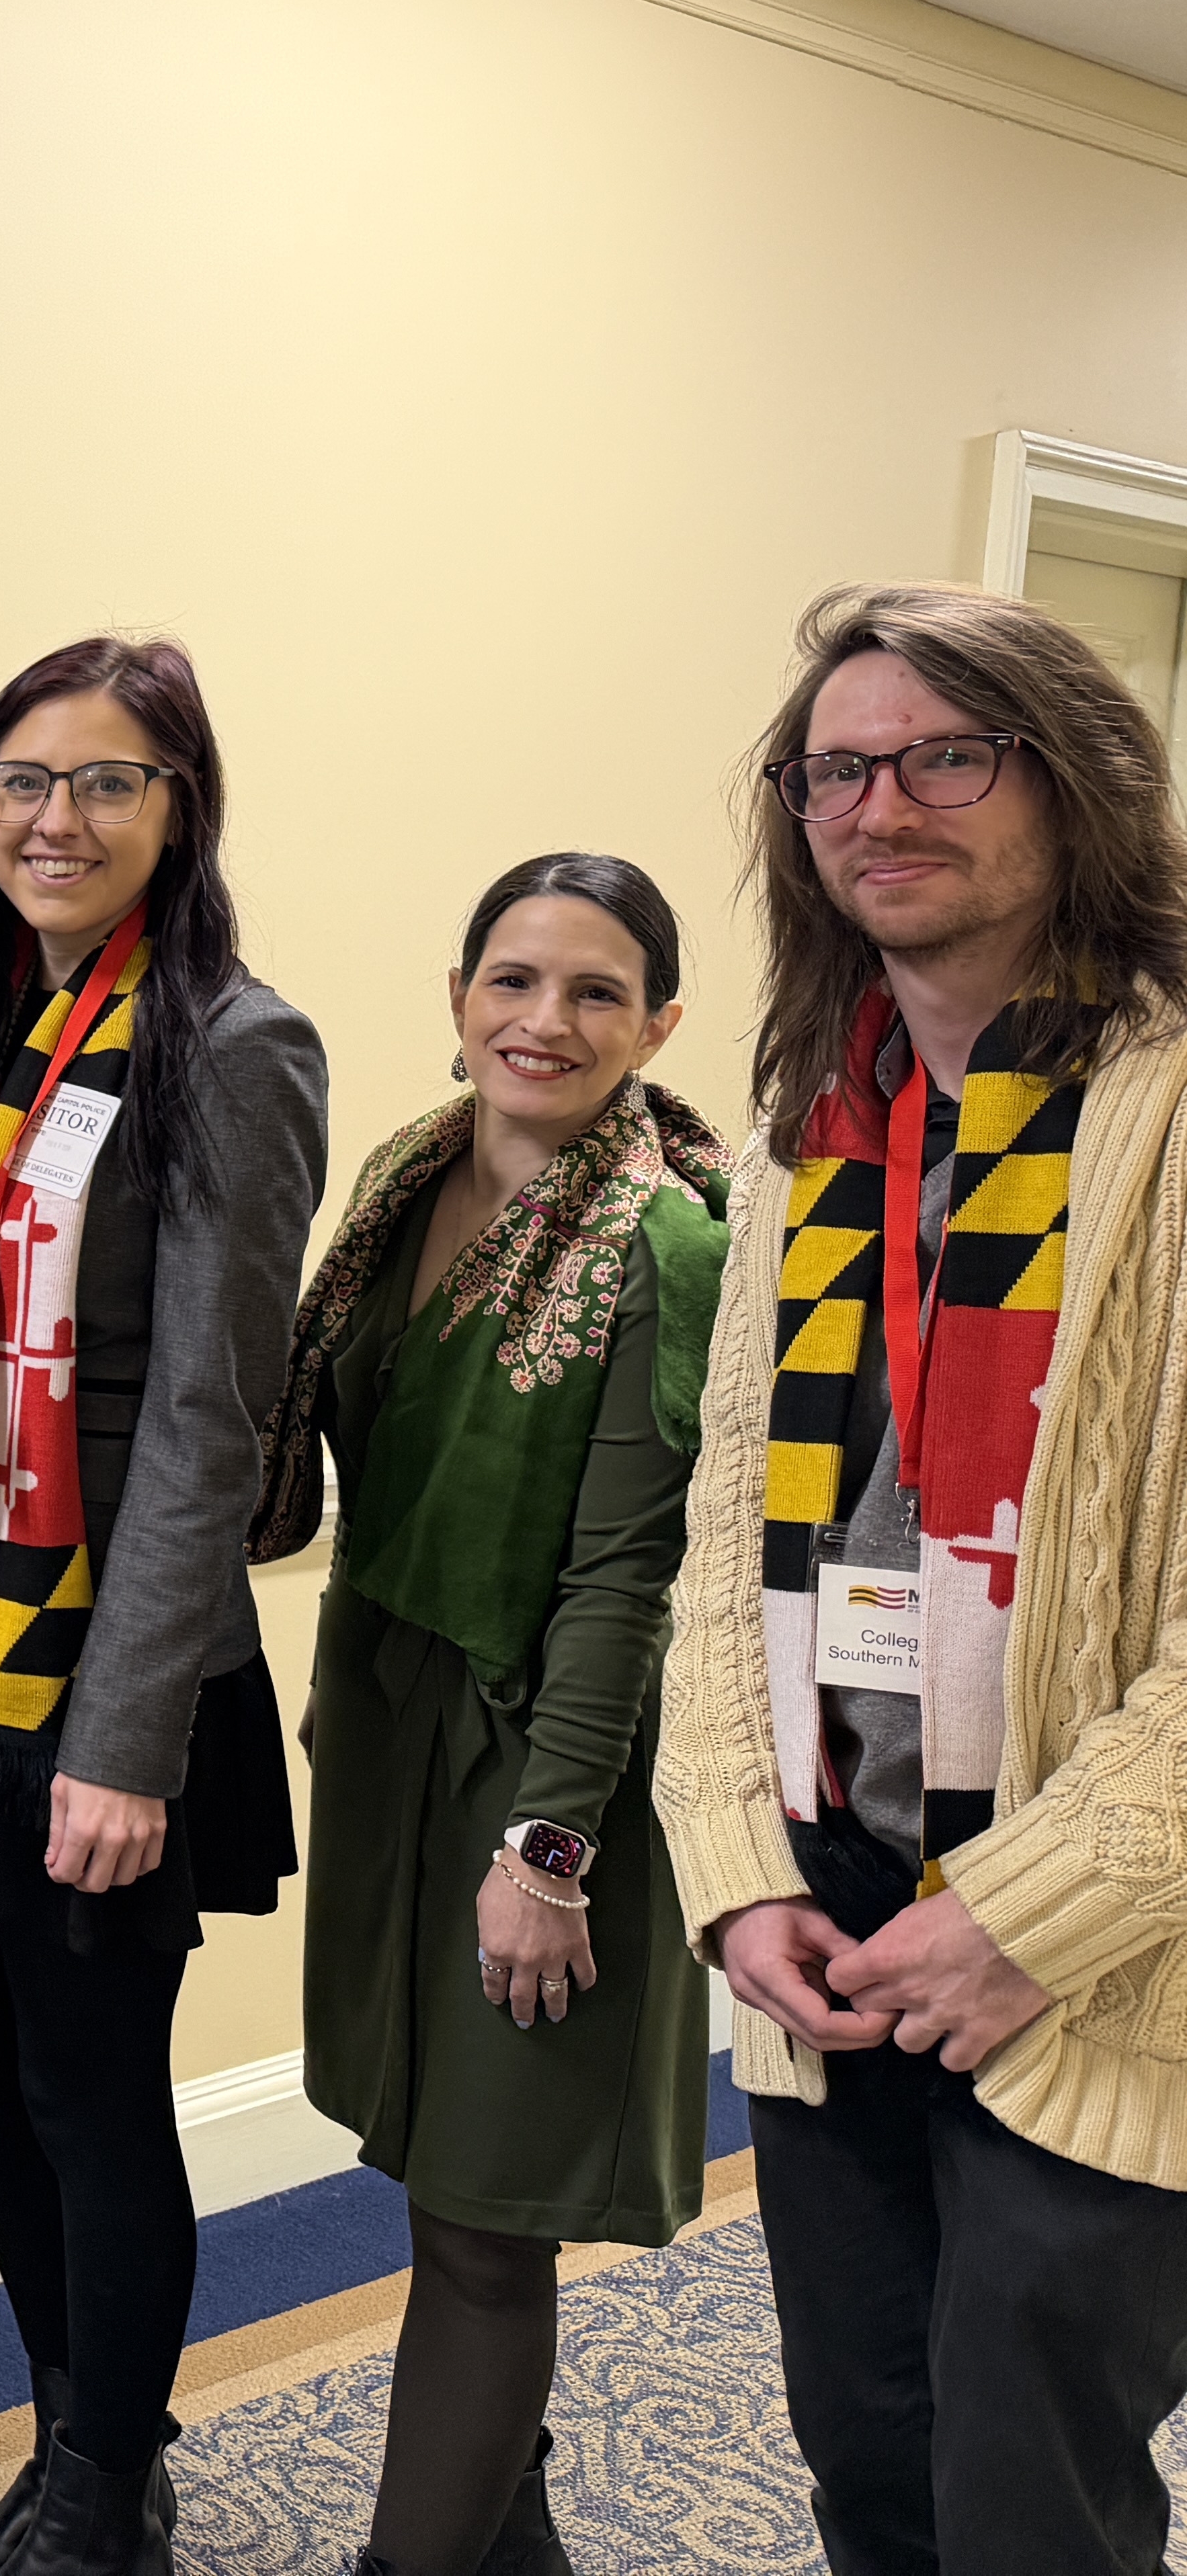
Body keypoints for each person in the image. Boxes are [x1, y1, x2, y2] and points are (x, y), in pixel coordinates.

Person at [653, 583, 1187, 2575]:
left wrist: (1026, 1916)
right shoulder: (815, 1138)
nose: (883, 806)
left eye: (948, 756)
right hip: (840, 1917)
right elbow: (728, 1542)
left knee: (1033, 2512)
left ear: (1073, 783)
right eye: (836, 771)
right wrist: (740, 1867)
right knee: (871, 2472)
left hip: (1095, 1945)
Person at [0, 637, 325, 2576]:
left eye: (107, 780)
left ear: (179, 808)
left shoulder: (232, 1042)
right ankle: (73, 2462)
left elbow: (211, 1421)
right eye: (21, 780)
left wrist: (125, 1748)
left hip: (105, 1671)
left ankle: (105, 2498)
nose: (56, 818)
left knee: (91, 2090)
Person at [255, 855, 727, 2576]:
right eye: (515, 980)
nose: (548, 1021)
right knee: (431, 2161)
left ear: (658, 1026)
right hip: (398, 1729)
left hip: (553, 1765)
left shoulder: (666, 1246)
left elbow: (626, 1580)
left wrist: (548, 1853)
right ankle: (505, 2539)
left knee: (482, 2225)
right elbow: (355, 1460)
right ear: (459, 998)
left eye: (600, 992)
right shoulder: (405, 1178)